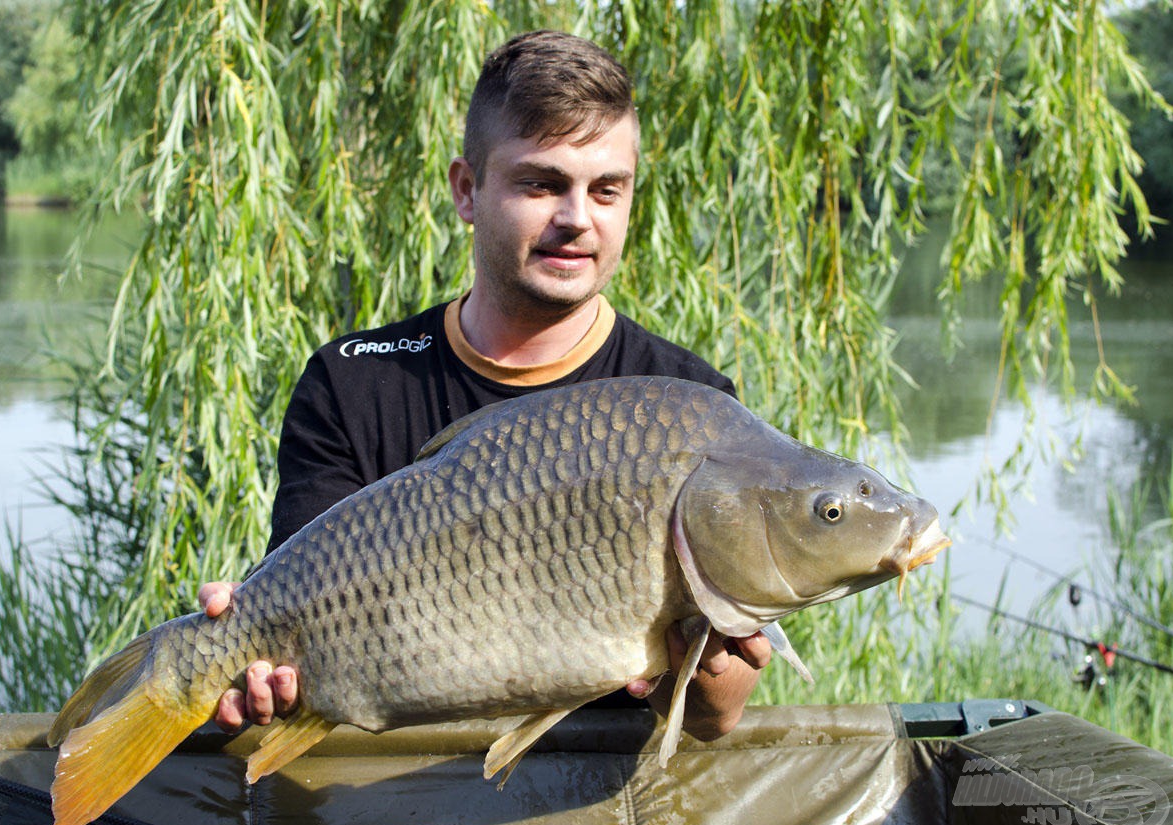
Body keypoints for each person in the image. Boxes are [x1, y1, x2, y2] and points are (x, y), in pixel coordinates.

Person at [199, 29, 770, 743]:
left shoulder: (686, 403)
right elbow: (297, 622)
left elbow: (717, 718)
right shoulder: (353, 381)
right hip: (386, 797)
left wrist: (705, 665)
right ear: (467, 191)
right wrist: (254, 655)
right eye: (541, 183)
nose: (577, 219)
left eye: (606, 190)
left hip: (592, 806)